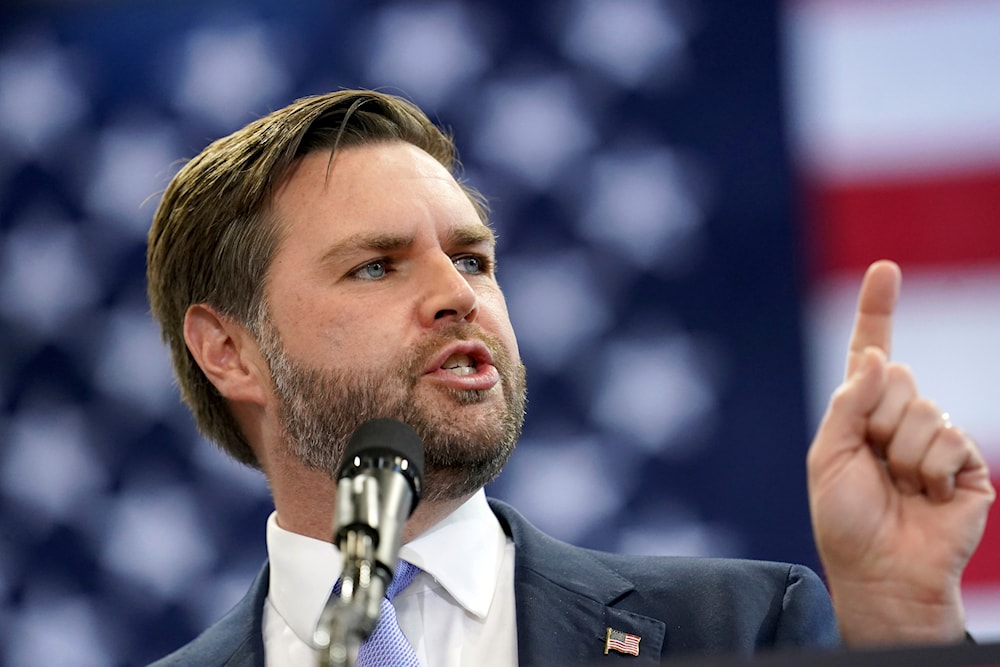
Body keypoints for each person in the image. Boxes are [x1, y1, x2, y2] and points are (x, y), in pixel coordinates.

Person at [145, 90, 994, 666]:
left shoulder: (739, 627)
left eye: (472, 258)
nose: (456, 295)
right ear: (230, 350)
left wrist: (902, 627)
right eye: (376, 267)